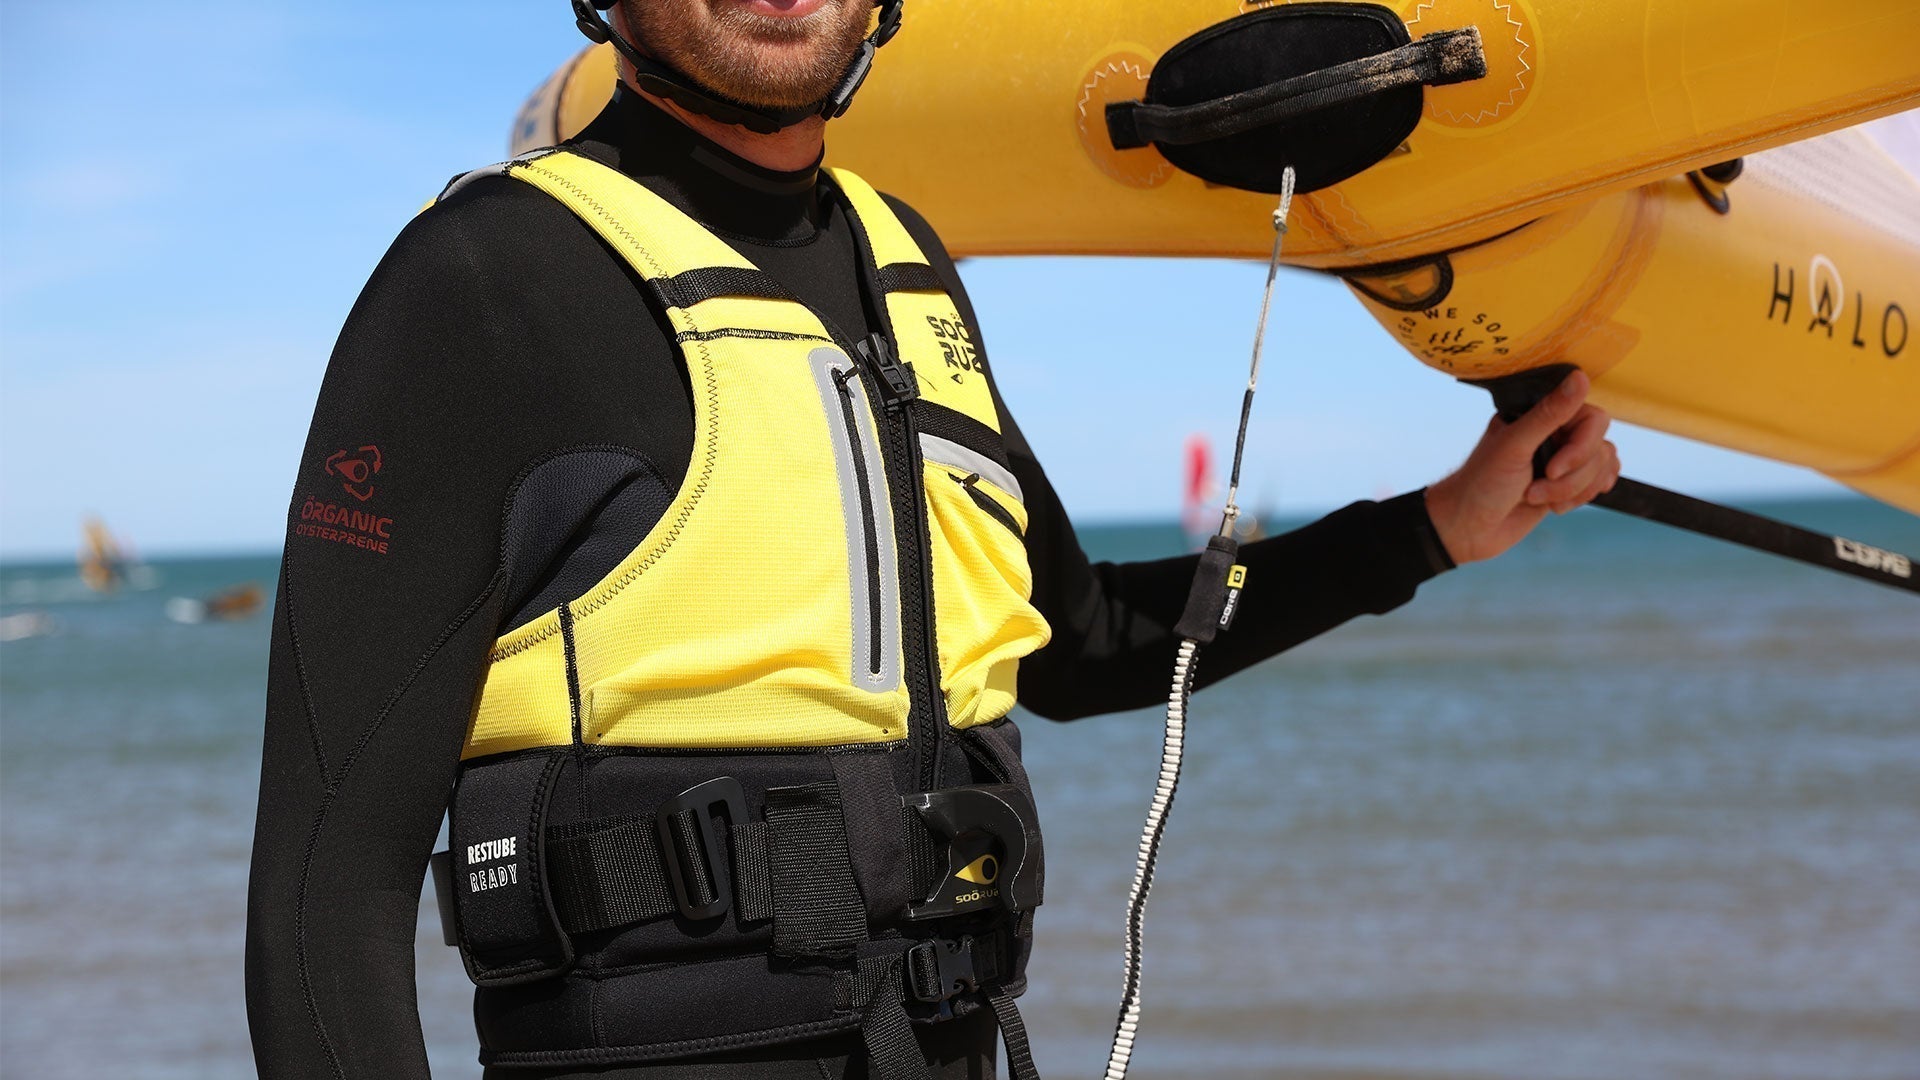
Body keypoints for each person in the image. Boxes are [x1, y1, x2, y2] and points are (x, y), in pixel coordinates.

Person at [243, 2, 1621, 1077]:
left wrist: (1435, 527)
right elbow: (324, 893)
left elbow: (1082, 646)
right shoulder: (486, 278)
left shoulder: (909, 269)